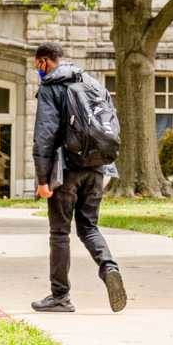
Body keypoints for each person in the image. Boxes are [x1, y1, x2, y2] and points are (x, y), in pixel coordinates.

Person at [29, 43, 126, 314]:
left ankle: (60, 295)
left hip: (66, 169)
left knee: (60, 232)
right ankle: (109, 267)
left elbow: (45, 135)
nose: (37, 69)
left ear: (45, 62)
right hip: (96, 167)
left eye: (37, 64)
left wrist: (42, 179)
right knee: (88, 226)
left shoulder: (51, 87)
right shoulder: (92, 83)